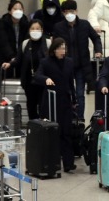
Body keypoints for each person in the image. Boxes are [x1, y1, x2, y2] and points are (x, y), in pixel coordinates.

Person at [53, 0, 102, 121]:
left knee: (80, 94)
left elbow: (96, 38)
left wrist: (98, 50)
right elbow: (55, 45)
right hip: (65, 65)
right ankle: (69, 117)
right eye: (66, 12)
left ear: (76, 11)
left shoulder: (85, 25)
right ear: (63, 13)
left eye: (71, 11)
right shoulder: (58, 27)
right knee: (67, 93)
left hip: (81, 65)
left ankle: (80, 119)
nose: (69, 14)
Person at [33, 38, 77, 172]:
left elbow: (71, 82)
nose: (62, 51)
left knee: (66, 132)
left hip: (65, 101)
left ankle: (68, 163)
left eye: (64, 48)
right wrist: (46, 79)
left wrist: (74, 100)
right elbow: (37, 75)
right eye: (60, 48)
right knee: (52, 131)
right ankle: (52, 161)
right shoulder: (46, 62)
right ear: (53, 49)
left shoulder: (69, 62)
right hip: (51, 101)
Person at [2, 19, 50, 120]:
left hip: (44, 81)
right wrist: (9, 64)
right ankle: (33, 125)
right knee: (31, 106)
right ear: (29, 30)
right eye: (33, 28)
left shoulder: (48, 43)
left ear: (42, 30)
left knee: (43, 106)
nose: (35, 31)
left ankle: (44, 127)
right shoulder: (25, 44)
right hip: (29, 81)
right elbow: (18, 59)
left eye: (38, 29)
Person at [0, 0, 29, 80]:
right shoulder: (3, 23)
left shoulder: (26, 24)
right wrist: (11, 56)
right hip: (6, 57)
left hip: (21, 57)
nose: (18, 11)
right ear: (10, 11)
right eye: (15, 9)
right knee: (5, 79)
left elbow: (26, 40)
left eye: (20, 9)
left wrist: (19, 56)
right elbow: (3, 41)